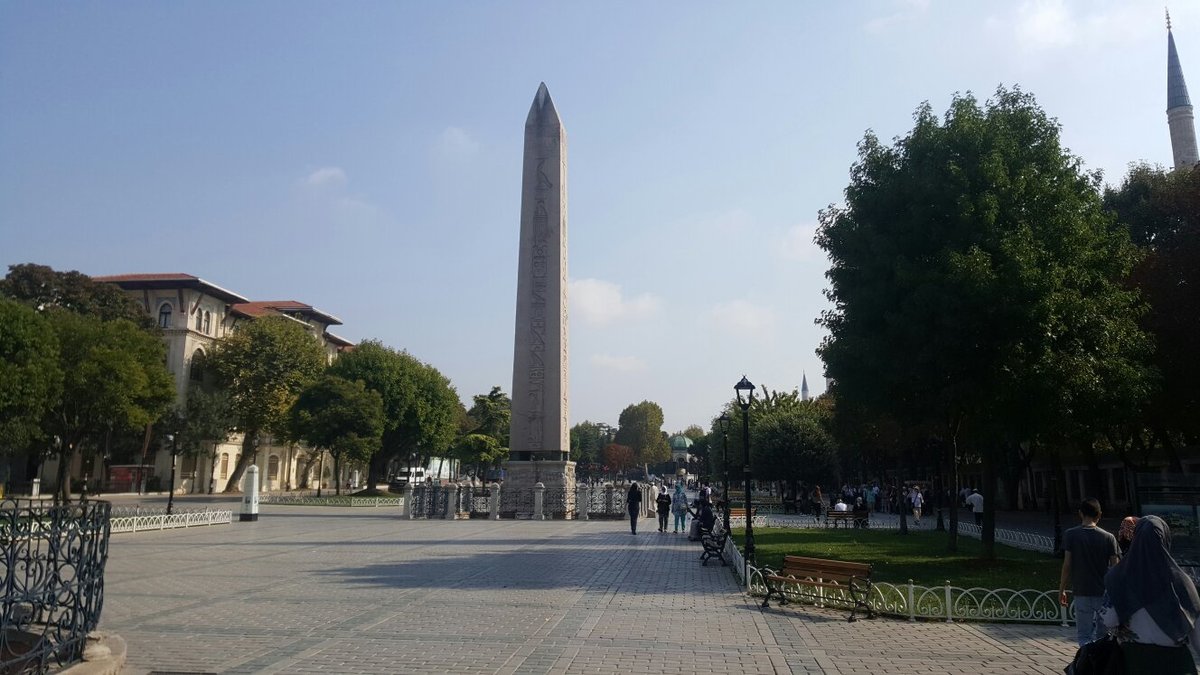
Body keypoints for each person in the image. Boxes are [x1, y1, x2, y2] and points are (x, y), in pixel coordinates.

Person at [1101, 515, 1200, 673]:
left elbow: (1109, 620)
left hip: (1135, 662)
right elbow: (1197, 633)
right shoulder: (1182, 582)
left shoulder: (1119, 577)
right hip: (1176, 664)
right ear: (1166, 539)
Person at [1059, 498, 1120, 646]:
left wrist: (1062, 589)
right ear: (1099, 515)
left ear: (1080, 513)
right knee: (1102, 635)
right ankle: (1100, 664)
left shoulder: (1071, 535)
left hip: (1081, 590)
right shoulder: (1108, 537)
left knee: (1083, 634)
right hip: (1103, 593)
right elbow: (1115, 568)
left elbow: (1067, 564)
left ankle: (1086, 663)